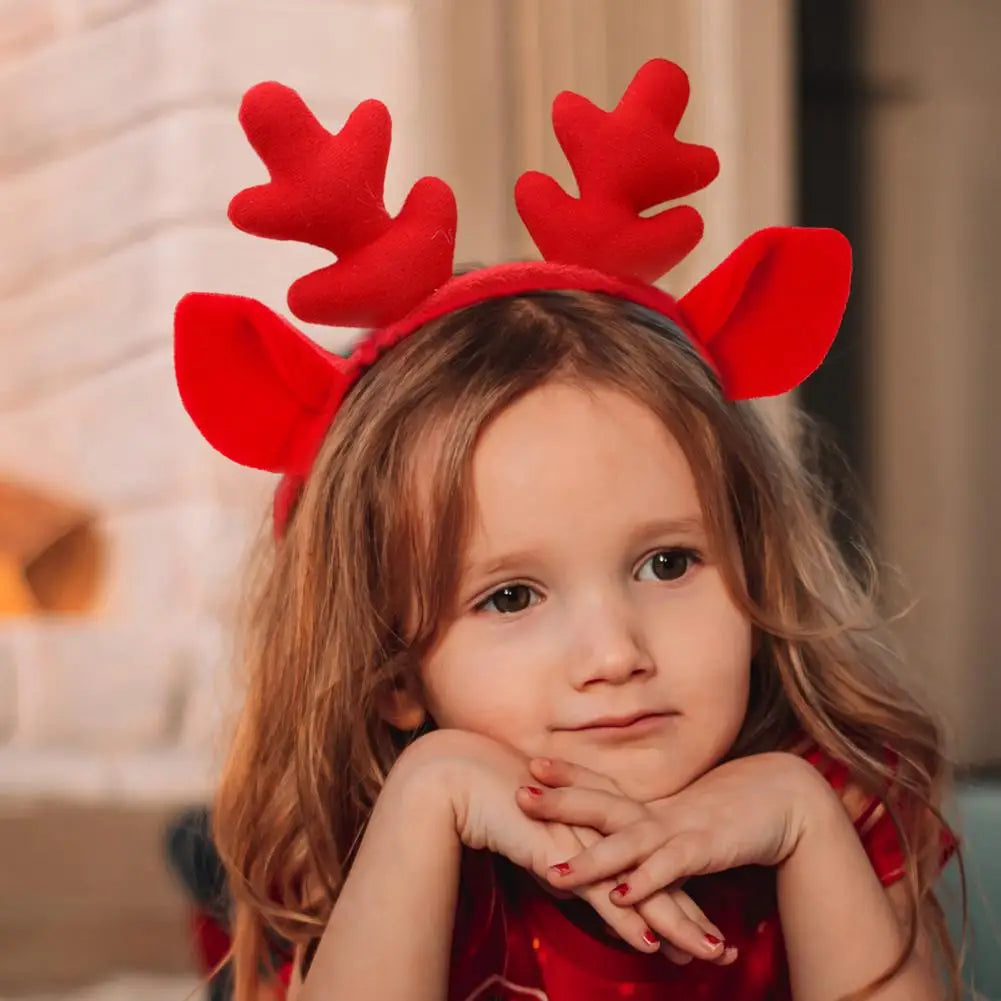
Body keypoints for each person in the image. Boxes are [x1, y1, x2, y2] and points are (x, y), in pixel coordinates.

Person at [173, 58, 960, 1001]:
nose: (614, 652)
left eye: (668, 562)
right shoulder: (385, 839)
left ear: (755, 560)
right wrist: (431, 792)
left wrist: (801, 822)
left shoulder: (835, 799)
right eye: (510, 594)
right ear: (389, 675)